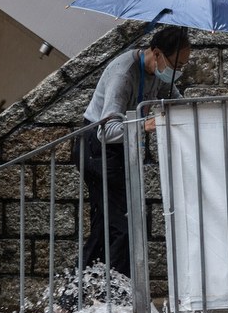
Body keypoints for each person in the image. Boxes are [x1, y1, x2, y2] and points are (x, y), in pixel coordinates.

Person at [77, 26, 190, 278]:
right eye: (177, 65)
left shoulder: (160, 75)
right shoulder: (124, 74)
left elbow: (175, 99)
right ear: (158, 54)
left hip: (120, 150)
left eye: (183, 66)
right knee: (124, 225)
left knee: (106, 225)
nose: (178, 72)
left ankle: (73, 298)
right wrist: (145, 124)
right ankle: (117, 296)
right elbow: (105, 132)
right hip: (98, 149)